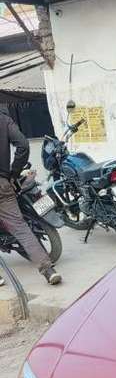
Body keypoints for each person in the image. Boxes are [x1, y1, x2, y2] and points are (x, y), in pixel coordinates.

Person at [0, 107, 62, 287]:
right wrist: (13, 173)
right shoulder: (3, 119)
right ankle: (48, 271)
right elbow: (23, 145)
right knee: (21, 228)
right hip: (3, 183)